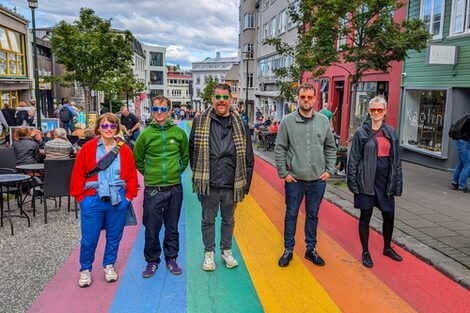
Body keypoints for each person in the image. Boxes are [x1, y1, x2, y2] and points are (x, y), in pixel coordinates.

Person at [190, 83, 254, 271]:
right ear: (212, 99)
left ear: (230, 100)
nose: (221, 101)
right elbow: (192, 149)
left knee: (229, 219)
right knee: (208, 220)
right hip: (208, 182)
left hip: (232, 182)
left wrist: (246, 184)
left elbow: (249, 156)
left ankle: (226, 250)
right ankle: (209, 254)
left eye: (225, 97)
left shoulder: (240, 124)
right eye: (218, 97)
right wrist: (198, 175)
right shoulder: (201, 121)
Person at [70, 113, 138, 288]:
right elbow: (77, 174)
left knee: (114, 236)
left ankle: (109, 265)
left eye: (112, 126)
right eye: (105, 126)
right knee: (89, 238)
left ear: (117, 128)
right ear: (98, 128)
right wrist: (81, 199)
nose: (108, 129)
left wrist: (128, 197)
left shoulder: (124, 149)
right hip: (93, 199)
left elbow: (131, 174)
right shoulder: (88, 148)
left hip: (117, 199)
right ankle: (85, 269)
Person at [274, 82, 336, 267]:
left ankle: (311, 249)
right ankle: (288, 249)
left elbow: (330, 147)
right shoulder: (287, 121)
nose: (306, 100)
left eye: (309, 97)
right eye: (303, 97)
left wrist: (329, 170)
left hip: (317, 180)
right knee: (291, 214)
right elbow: (280, 148)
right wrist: (284, 173)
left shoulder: (323, 121)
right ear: (298, 98)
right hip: (295, 180)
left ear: (315, 99)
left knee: (313, 215)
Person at [133, 95, 189, 278]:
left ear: (169, 111)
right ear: (152, 110)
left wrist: (174, 173)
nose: (159, 112)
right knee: (151, 228)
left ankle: (171, 258)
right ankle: (152, 261)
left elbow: (185, 158)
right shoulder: (146, 134)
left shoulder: (179, 133)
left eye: (163, 109)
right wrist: (151, 174)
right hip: (153, 189)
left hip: (174, 188)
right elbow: (138, 159)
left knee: (172, 226)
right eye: (156, 109)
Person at [347, 96, 403, 268]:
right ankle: (365, 251)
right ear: (369, 111)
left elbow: (396, 160)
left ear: (385, 111)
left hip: (385, 182)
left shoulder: (391, 132)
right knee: (366, 216)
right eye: (373, 110)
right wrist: (353, 183)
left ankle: (387, 247)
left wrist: (397, 183)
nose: (376, 113)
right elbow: (354, 158)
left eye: (380, 110)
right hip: (366, 181)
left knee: (389, 216)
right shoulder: (361, 132)